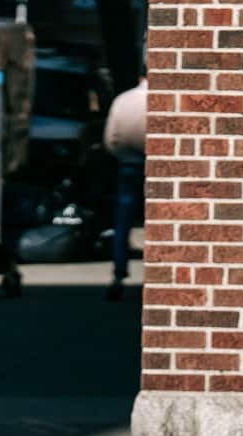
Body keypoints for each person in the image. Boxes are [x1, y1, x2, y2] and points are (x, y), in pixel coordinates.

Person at [102, 76, 147, 302]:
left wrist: (121, 154)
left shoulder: (122, 100)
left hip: (128, 165)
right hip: (157, 167)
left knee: (123, 222)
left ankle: (119, 274)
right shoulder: (162, 100)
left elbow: (110, 138)